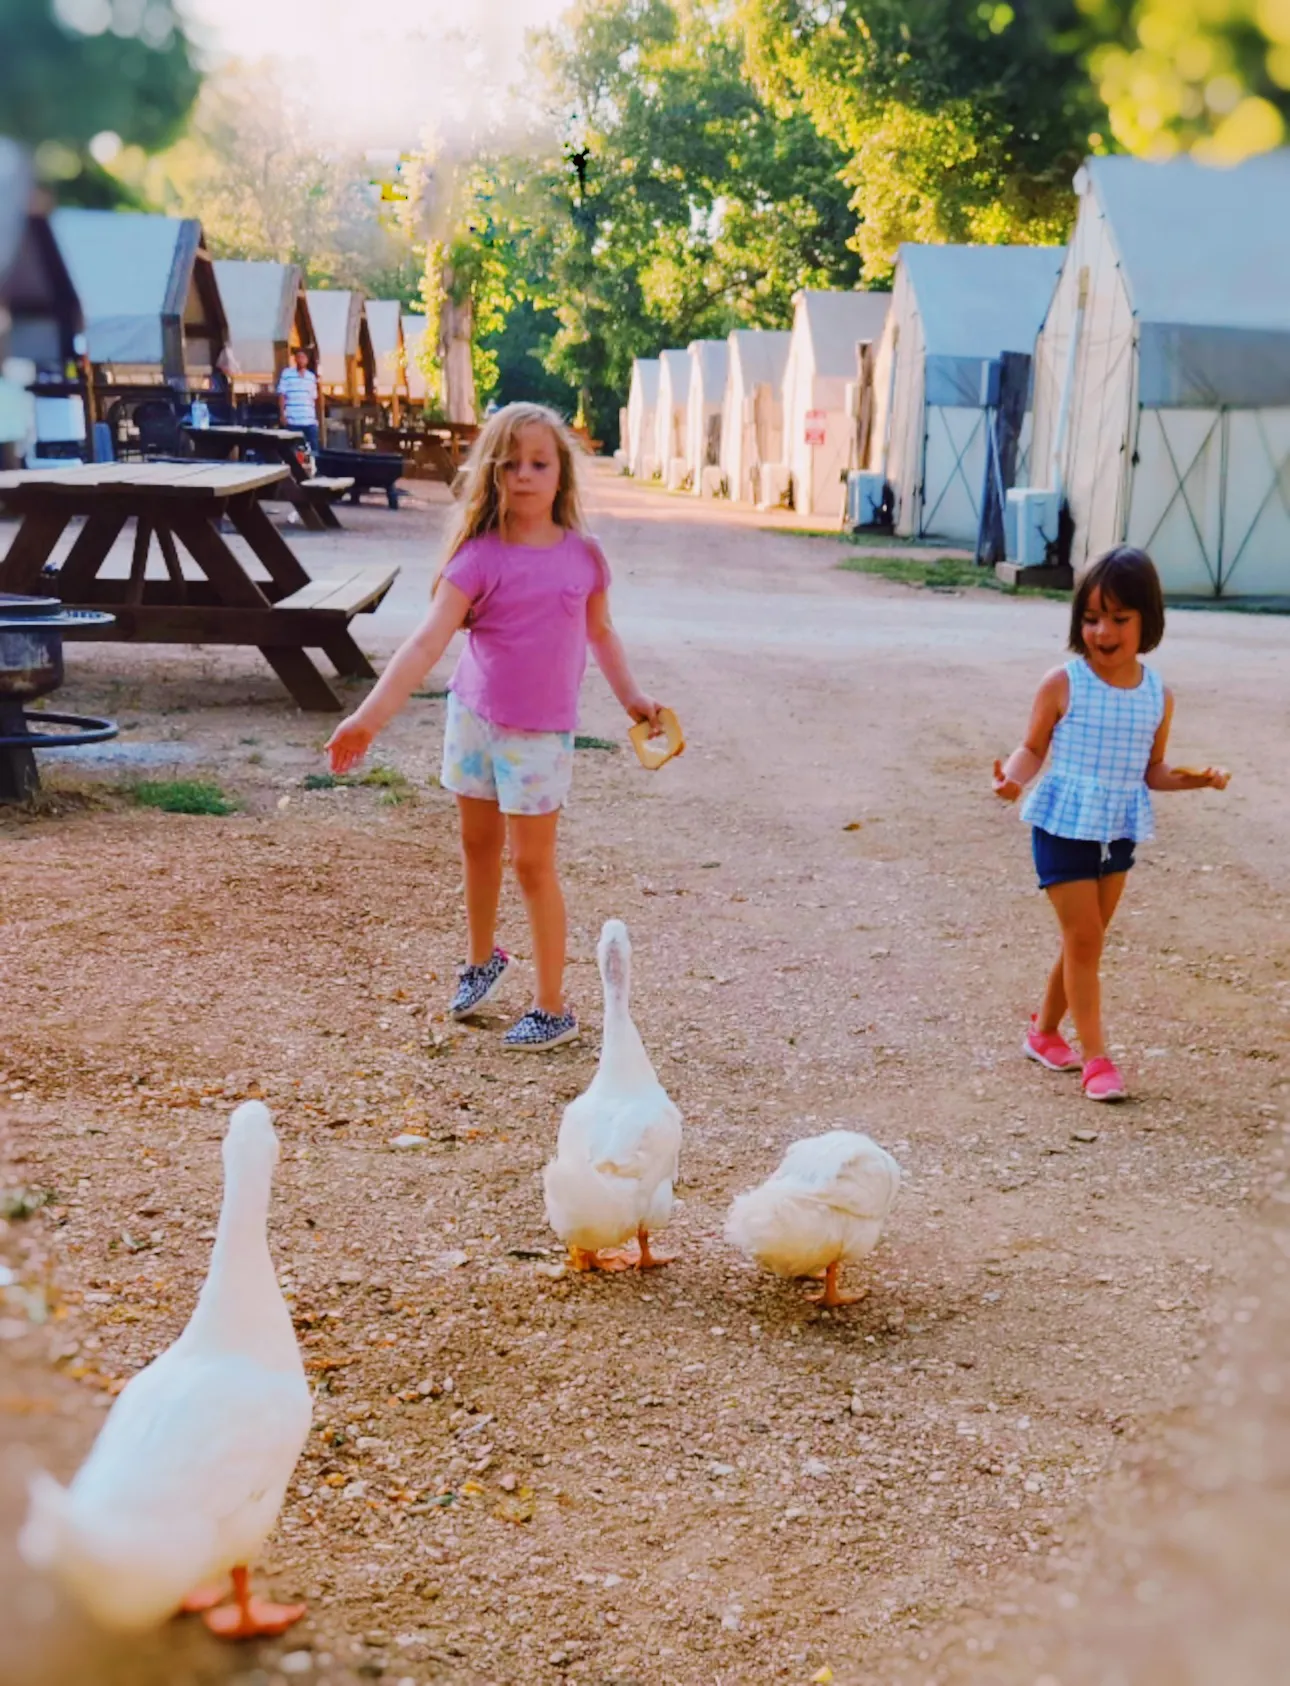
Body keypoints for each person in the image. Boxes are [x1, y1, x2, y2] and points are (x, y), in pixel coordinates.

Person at [325, 402, 665, 1052]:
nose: (525, 475)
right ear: (491, 473)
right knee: (477, 846)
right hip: (473, 721)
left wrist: (633, 697)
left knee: (532, 864)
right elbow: (426, 644)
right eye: (510, 464)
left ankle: (552, 1006)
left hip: (539, 735)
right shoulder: (477, 557)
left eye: (539, 463)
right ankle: (482, 960)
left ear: (562, 473)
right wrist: (367, 719)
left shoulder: (584, 557)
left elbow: (601, 633)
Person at [992, 546, 1229, 1102]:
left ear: (1148, 620)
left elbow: (1154, 770)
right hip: (1063, 826)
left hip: (1118, 830)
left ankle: (1044, 1033)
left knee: (1086, 941)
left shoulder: (1157, 696)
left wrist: (1196, 779)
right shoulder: (1063, 683)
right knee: (1084, 938)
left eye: (1120, 618)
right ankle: (1097, 1058)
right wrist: (1012, 780)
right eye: (1092, 618)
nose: (1103, 632)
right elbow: (1032, 748)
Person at [277, 347, 321, 454]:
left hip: (309, 420)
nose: (301, 360)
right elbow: (282, 395)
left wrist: (316, 418)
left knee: (313, 450)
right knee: (293, 451)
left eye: (303, 357)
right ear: (295, 359)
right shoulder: (287, 374)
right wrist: (282, 414)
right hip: (293, 420)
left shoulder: (311, 377)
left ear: (307, 360)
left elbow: (313, 399)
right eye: (298, 357)